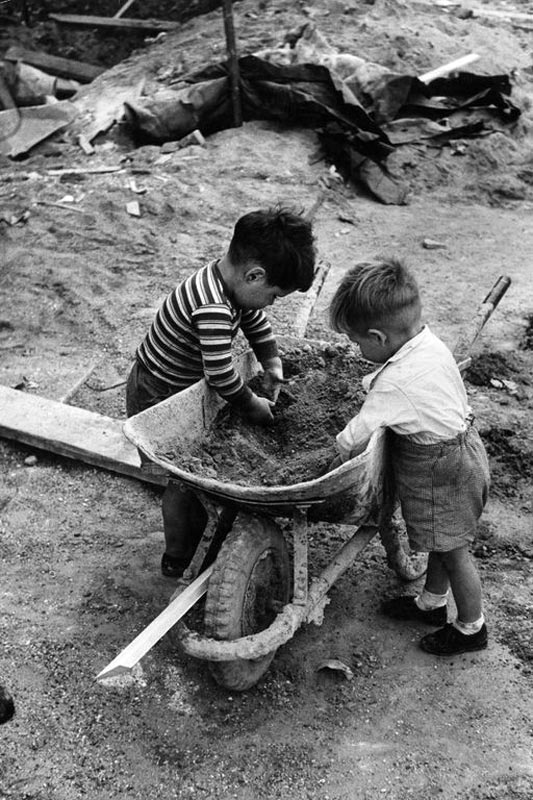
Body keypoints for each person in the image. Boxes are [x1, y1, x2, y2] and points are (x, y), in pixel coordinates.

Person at [126, 206, 316, 578]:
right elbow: (220, 374)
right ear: (254, 275)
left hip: (181, 381)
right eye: (275, 295)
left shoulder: (231, 283)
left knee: (191, 481)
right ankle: (178, 556)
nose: (272, 303)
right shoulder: (212, 305)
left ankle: (202, 524)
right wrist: (252, 406)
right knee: (181, 481)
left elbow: (254, 319)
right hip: (160, 392)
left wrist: (272, 362)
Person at [328, 257, 490, 656]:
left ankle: (472, 628)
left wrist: (331, 459)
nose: (354, 348)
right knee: (442, 539)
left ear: (379, 338)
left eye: (356, 340)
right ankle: (431, 603)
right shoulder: (429, 344)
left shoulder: (395, 382)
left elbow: (356, 435)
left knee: (454, 552)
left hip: (442, 468)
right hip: (464, 451)